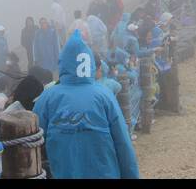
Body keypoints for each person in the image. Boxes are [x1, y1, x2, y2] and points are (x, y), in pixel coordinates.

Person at [33, 31, 139, 179]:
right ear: (89, 64)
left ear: (63, 63)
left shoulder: (47, 98)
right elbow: (123, 143)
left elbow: (32, 143)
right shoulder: (104, 95)